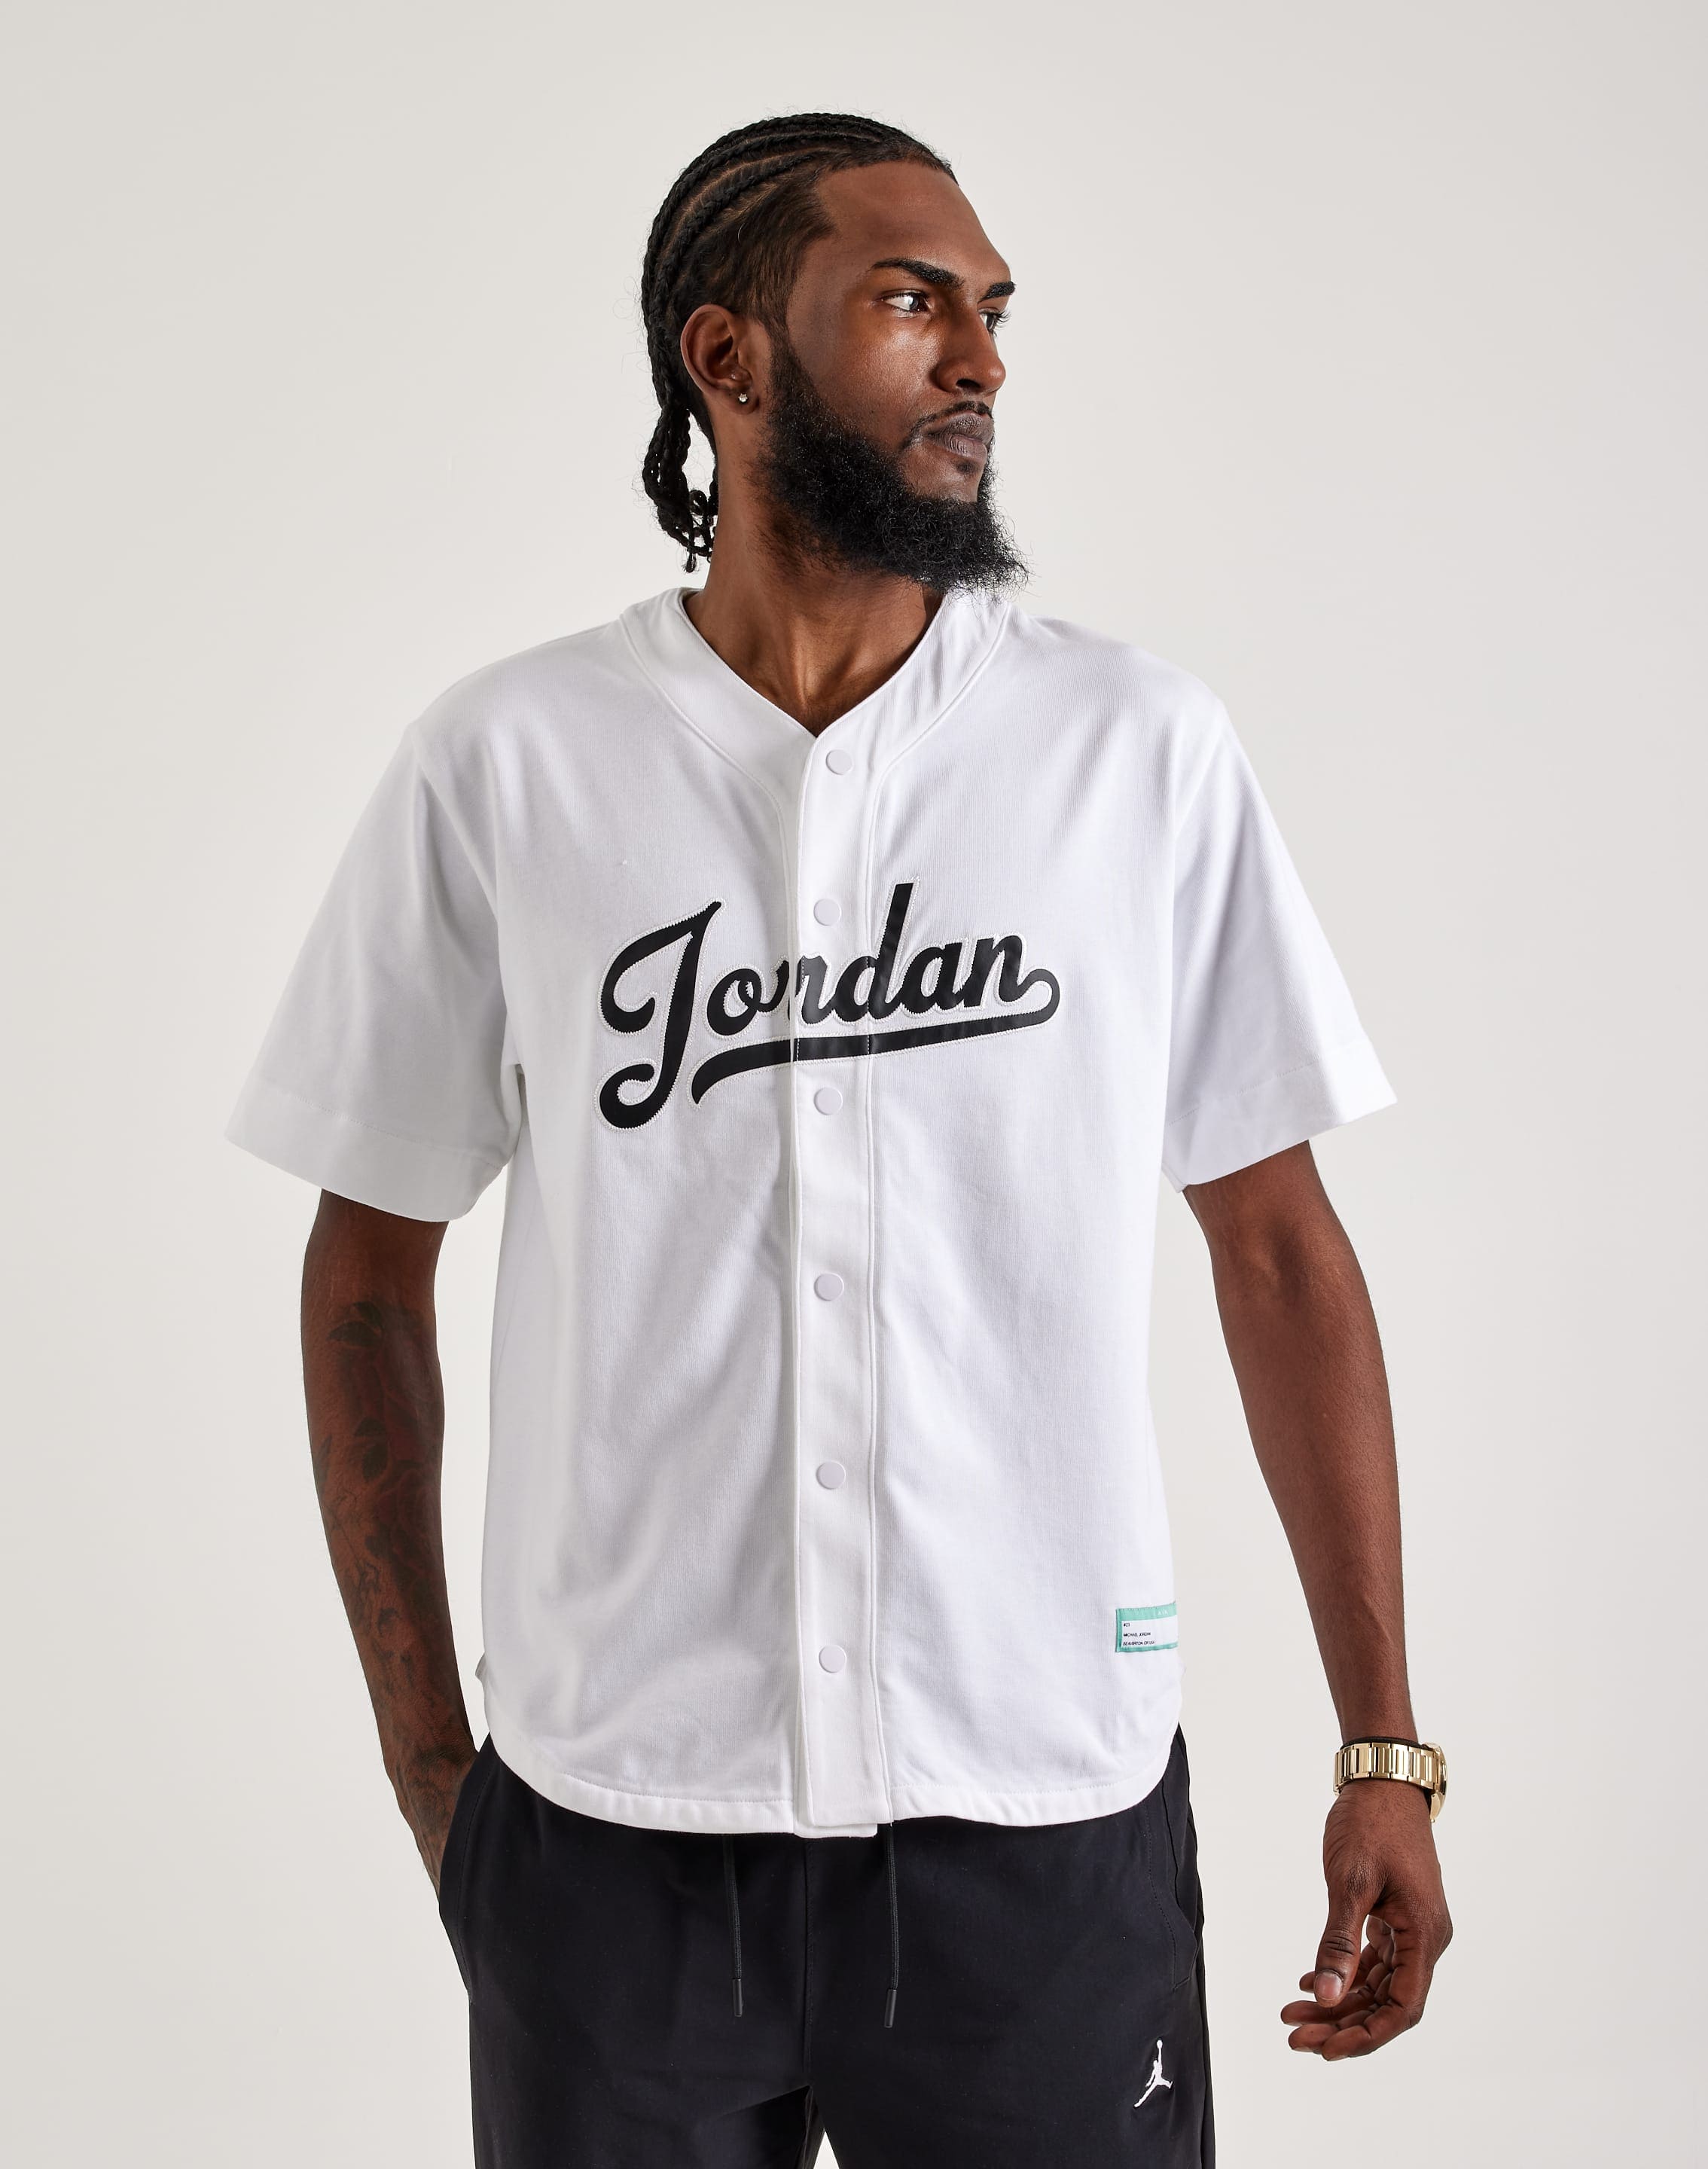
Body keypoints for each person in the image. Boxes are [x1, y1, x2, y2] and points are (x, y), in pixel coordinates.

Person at [227, 111, 1452, 2169]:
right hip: (613, 1830)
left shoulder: (1130, 753)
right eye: (909, 300)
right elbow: (368, 1260)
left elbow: (1277, 1248)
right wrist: (439, 1774)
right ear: (726, 359)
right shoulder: (510, 765)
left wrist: (1383, 1745)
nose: (980, 359)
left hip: (1037, 1817)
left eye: (993, 311)